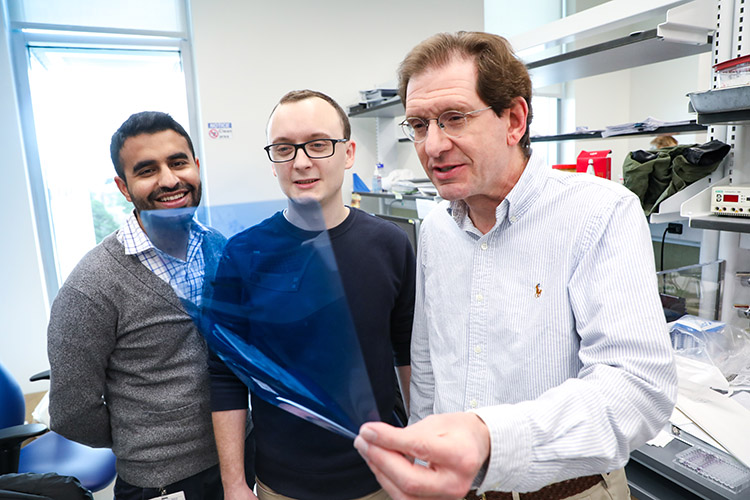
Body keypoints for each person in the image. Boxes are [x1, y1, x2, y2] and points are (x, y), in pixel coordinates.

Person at [354, 31, 677, 500]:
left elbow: (637, 387)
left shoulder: (599, 214)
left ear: (514, 119)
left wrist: (491, 440)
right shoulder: (438, 228)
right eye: (419, 124)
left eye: (454, 118)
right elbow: (428, 364)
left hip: (567, 491)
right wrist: (424, 455)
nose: (433, 145)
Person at [207, 89, 415, 500]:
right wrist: (234, 484)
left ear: (348, 152)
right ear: (273, 162)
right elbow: (225, 375)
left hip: (381, 477)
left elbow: (407, 354)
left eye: (318, 144)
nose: (301, 161)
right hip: (283, 485)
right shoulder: (243, 254)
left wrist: (420, 452)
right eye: (284, 148)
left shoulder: (390, 244)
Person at [47, 111, 254, 500]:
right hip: (160, 483)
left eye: (178, 162)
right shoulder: (91, 286)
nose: (170, 180)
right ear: (124, 188)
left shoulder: (219, 247)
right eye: (147, 170)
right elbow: (72, 412)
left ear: (196, 165)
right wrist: (141, 439)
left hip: (241, 459)